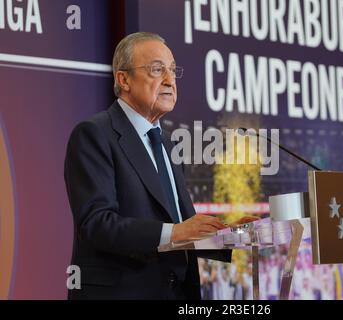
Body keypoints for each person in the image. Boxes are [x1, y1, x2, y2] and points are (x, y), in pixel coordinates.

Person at [64, 32, 245, 299]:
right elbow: (97, 224)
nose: (170, 80)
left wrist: (226, 235)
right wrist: (176, 231)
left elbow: (181, 227)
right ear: (123, 79)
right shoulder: (94, 134)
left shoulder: (167, 143)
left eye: (172, 70)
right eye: (157, 69)